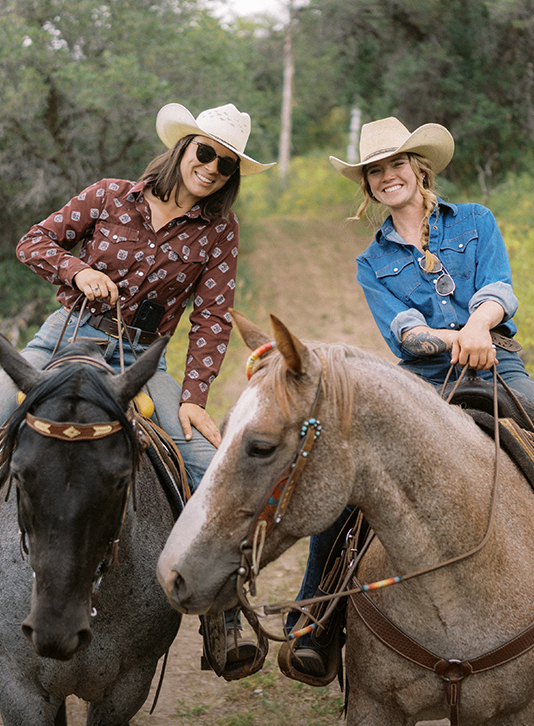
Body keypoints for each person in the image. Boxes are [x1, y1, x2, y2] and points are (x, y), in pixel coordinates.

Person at [3, 101, 275, 675]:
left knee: (206, 463)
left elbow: (211, 317)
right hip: (63, 336)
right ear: (183, 148)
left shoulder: (219, 231)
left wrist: (196, 397)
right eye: (206, 153)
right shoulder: (108, 195)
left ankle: (219, 613)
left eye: (226, 165)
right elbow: (33, 242)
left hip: (138, 360)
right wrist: (76, 271)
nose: (212, 168)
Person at [288, 116, 534, 680]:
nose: (387, 176)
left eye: (396, 164)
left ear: (418, 168)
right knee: (350, 471)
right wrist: (459, 337)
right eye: (375, 171)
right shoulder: (372, 261)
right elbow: (406, 333)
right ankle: (317, 618)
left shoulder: (475, 221)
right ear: (369, 185)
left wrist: (478, 328)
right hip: (421, 376)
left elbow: (499, 288)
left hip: (497, 359)